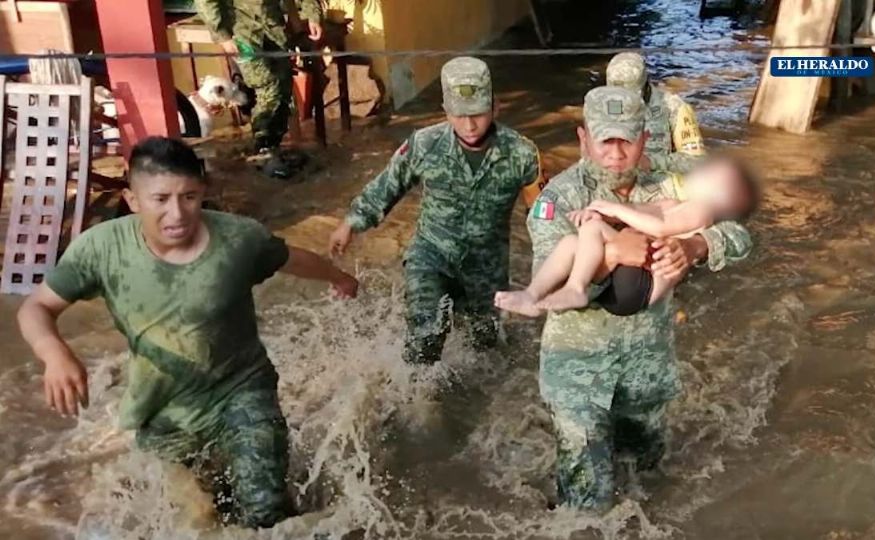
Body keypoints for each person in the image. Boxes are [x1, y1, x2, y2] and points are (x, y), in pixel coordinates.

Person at [16, 137, 358, 529]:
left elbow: (290, 258)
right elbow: (36, 307)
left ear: (203, 192)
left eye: (189, 197)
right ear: (132, 199)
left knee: (264, 511)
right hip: (162, 411)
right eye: (160, 199)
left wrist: (340, 277)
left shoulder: (239, 239)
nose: (177, 213)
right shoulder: (101, 249)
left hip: (241, 392)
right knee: (195, 520)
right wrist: (54, 353)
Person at [527, 86, 753, 511]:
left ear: (644, 140)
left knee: (647, 486)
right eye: (604, 140)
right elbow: (546, 283)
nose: (615, 154)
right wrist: (614, 254)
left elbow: (741, 236)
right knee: (586, 506)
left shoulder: (670, 187)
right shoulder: (559, 199)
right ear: (583, 139)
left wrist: (696, 247)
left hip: (647, 369)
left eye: (626, 140)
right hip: (580, 374)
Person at [329, 56, 544, 365]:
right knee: (426, 332)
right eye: (459, 115)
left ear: (496, 107)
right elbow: (389, 184)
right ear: (445, 112)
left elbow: (541, 213)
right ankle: (419, 403)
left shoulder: (522, 153)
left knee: (485, 350)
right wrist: (352, 222)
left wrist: (555, 262)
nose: (469, 125)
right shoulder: (425, 144)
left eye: (478, 114)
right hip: (432, 254)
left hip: (487, 267)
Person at [497, 154, 759, 316]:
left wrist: (611, 211)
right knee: (570, 241)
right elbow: (644, 210)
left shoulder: (701, 210)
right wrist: (598, 214)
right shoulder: (561, 192)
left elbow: (660, 228)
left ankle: (576, 288)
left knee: (590, 232)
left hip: (639, 286)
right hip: (625, 279)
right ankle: (531, 295)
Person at [194, 0, 324, 179]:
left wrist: (312, 15)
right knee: (268, 87)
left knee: (283, 86)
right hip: (242, 33)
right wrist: (222, 35)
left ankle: (274, 148)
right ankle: (263, 151)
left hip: (273, 28)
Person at [606, 51, 706, 174]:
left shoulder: (673, 108)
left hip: (659, 182)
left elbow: (697, 162)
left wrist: (651, 162)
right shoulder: (601, 108)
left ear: (645, 84)